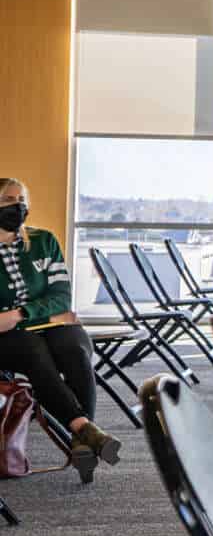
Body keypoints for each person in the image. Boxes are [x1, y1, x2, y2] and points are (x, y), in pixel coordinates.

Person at [0, 178, 123, 481]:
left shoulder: (43, 241)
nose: (18, 206)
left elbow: (61, 297)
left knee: (74, 348)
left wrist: (19, 313)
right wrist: (34, 316)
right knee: (34, 349)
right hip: (9, 338)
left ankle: (82, 439)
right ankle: (85, 432)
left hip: (40, 323)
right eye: (8, 200)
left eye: (22, 199)